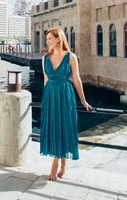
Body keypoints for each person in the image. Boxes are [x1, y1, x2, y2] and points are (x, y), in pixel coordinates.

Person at [40, 27, 92, 181]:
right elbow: (45, 80)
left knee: (64, 127)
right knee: (54, 128)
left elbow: (76, 79)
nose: (48, 41)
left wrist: (83, 100)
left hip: (65, 94)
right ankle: (63, 165)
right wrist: (46, 100)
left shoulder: (71, 57)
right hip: (50, 95)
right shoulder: (45, 58)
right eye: (47, 38)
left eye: (50, 38)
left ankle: (56, 165)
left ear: (58, 39)